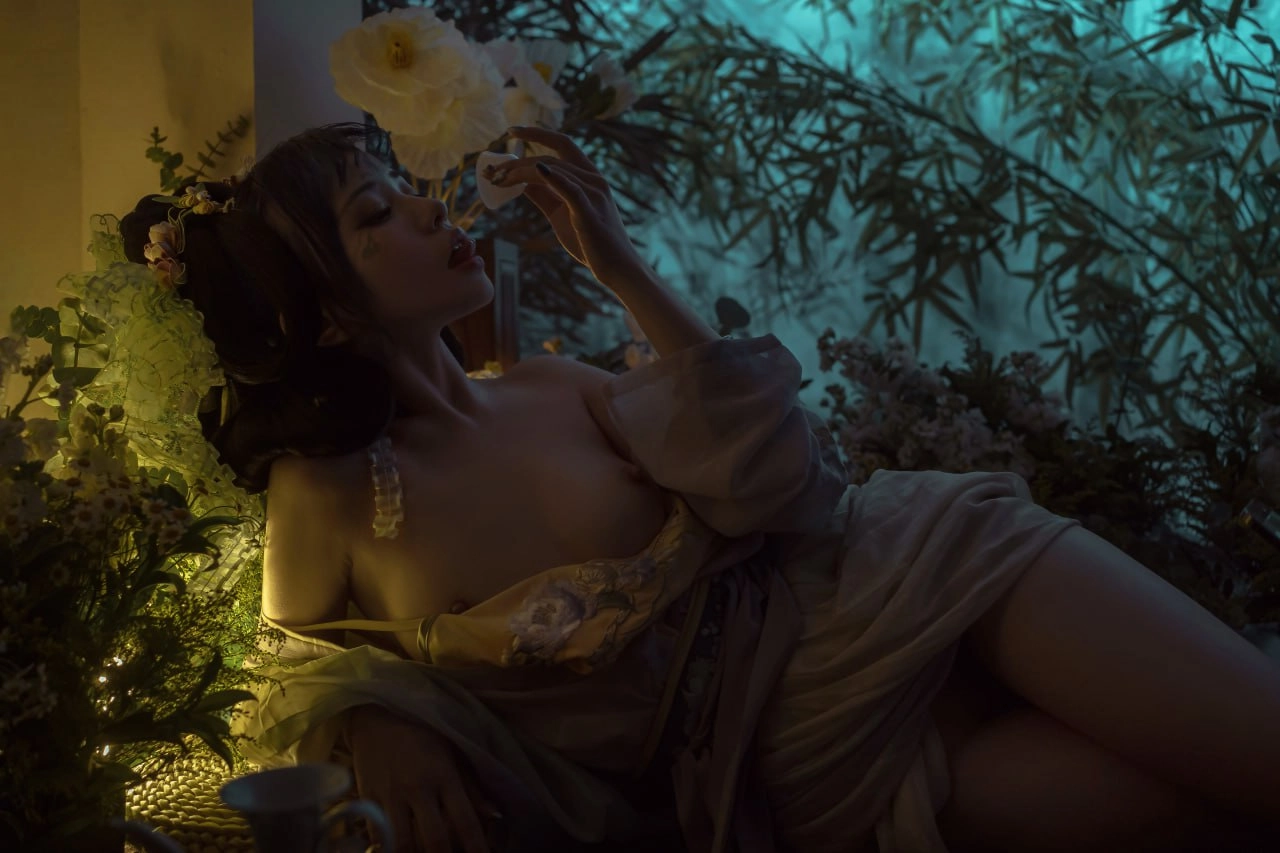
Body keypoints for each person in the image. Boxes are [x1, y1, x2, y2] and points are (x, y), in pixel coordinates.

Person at [120, 122, 1280, 853]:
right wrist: (372, 716)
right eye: (375, 214)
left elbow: (787, 488)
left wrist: (616, 263)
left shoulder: (548, 382)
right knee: (1209, 809)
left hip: (900, 572)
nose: (428, 207)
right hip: (797, 761)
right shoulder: (326, 493)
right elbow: (282, 680)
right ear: (323, 310)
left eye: (402, 186)